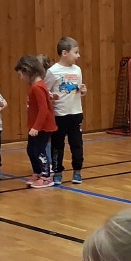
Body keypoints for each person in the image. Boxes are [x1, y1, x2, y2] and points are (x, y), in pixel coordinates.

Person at [46, 36, 87, 185]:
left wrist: (83, 90)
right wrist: (51, 96)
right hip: (60, 115)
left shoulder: (77, 70)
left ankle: (77, 171)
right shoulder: (52, 72)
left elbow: (78, 89)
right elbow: (45, 92)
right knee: (58, 145)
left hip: (76, 113)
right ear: (65, 53)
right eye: (75, 52)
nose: (78, 56)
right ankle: (57, 172)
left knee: (77, 144)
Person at [14, 54, 57, 188]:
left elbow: (43, 109)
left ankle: (46, 177)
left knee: (39, 150)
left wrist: (36, 127)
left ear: (28, 71)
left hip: (42, 126)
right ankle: (37, 172)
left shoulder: (37, 87)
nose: (21, 78)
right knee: (31, 149)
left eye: (21, 75)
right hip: (36, 125)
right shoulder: (37, 85)